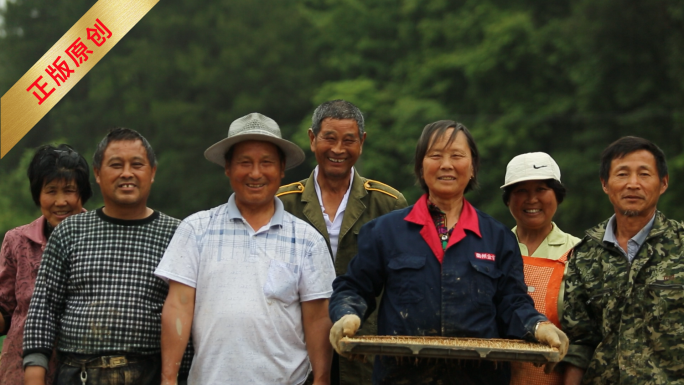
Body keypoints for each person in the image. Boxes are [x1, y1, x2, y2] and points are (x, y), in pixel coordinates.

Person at [328, 120, 568, 385]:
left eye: (457, 155)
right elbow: (354, 287)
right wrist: (347, 315)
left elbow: (513, 303)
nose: (446, 164)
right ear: (421, 166)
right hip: (403, 377)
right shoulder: (385, 231)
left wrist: (539, 326)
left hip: (479, 378)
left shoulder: (498, 238)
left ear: (473, 168)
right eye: (435, 155)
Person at [156, 113, 336, 385]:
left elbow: (318, 318)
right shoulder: (196, 229)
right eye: (244, 163)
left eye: (266, 163)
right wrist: (168, 379)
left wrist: (321, 379)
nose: (255, 173)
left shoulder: (307, 240)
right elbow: (179, 306)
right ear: (227, 167)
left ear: (282, 168)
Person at [22, 128, 191, 385]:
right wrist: (34, 374)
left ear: (152, 172)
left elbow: (186, 313)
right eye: (115, 165)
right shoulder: (70, 231)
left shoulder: (178, 234)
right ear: (98, 174)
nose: (127, 173)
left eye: (137, 164)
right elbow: (43, 310)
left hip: (148, 372)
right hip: (77, 373)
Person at [277, 100, 407, 385]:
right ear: (312, 139)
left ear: (362, 142)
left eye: (349, 140)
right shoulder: (283, 203)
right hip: (296, 347)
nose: (338, 150)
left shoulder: (388, 203)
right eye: (329, 138)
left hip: (366, 347)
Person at [562, 136, 683, 384]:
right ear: (605, 184)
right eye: (622, 174)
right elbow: (580, 343)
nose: (633, 184)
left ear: (663, 183)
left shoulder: (681, 245)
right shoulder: (585, 255)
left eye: (644, 174)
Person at [0, 144, 92, 385]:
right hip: (20, 373)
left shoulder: (100, 239)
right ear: (37, 194)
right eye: (51, 191)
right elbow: (5, 310)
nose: (60, 201)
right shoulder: (17, 241)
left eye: (69, 190)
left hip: (81, 372)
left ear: (82, 193)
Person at [500, 152, 580, 385]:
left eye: (541, 190)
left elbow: (586, 336)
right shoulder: (492, 248)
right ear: (508, 199)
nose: (531, 199)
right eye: (521, 191)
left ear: (558, 195)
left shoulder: (578, 252)